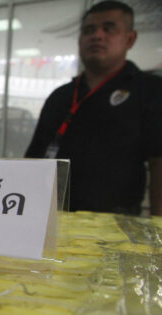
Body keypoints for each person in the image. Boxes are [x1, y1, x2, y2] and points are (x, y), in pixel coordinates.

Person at [25, 1, 162, 216]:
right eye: (89, 30)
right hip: (52, 218)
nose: (97, 35)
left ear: (130, 38)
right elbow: (33, 159)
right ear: (79, 40)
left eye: (109, 28)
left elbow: (158, 163)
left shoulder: (150, 91)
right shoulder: (60, 96)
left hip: (115, 225)